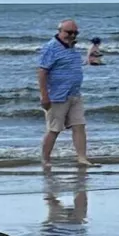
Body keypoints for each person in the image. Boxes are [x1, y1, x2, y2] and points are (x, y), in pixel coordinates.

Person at [37, 20, 94, 169]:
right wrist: (44, 96)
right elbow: (42, 72)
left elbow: (74, 66)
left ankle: (82, 158)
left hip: (74, 94)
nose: (72, 35)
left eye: (75, 33)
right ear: (60, 31)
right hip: (56, 96)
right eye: (69, 32)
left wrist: (90, 60)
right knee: (54, 129)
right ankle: (45, 159)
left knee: (79, 126)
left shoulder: (72, 48)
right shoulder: (51, 48)